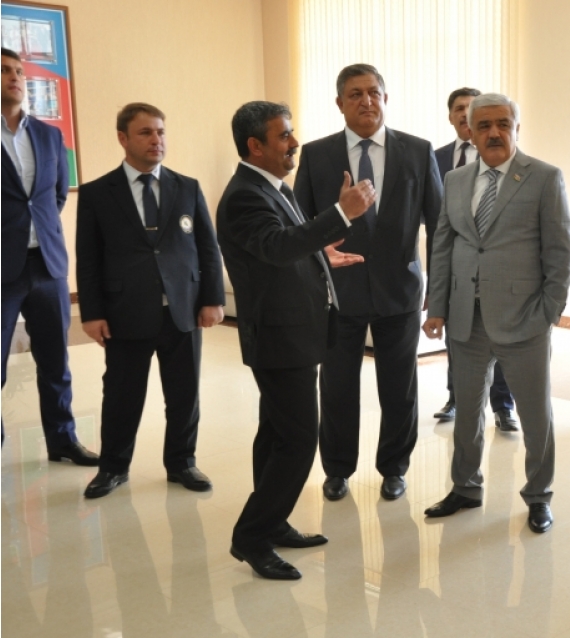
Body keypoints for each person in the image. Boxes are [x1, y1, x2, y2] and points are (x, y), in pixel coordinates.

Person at [217, 100, 375, 580]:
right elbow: (278, 246)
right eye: (283, 135)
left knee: (276, 434)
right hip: (278, 338)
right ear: (255, 145)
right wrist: (341, 214)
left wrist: (322, 254)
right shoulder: (245, 196)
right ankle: (251, 535)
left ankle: (273, 522)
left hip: (294, 333)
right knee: (300, 441)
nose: (294, 143)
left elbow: (289, 247)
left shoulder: (272, 187)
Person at [422, 93, 570, 534]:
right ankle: (465, 487)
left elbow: (560, 250)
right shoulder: (455, 180)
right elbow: (443, 244)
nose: (494, 133)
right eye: (484, 125)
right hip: (465, 318)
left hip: (525, 317)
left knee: (534, 415)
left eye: (503, 123)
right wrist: (437, 305)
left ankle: (539, 496)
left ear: (516, 128)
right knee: (467, 412)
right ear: (469, 131)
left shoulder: (544, 177)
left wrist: (550, 311)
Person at [294, 64, 442, 503]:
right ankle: (337, 469)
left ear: (386, 98)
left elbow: (439, 225)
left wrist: (438, 291)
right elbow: (300, 228)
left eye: (374, 92)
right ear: (339, 103)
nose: (366, 101)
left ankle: (394, 468)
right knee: (338, 387)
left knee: (399, 388)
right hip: (339, 293)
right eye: (356, 94)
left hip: (400, 290)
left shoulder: (418, 151)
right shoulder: (316, 155)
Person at [76, 103, 225, 498]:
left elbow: (207, 249)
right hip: (125, 312)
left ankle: (182, 463)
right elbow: (88, 259)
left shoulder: (187, 187)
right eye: (145, 132)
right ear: (123, 138)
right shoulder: (97, 193)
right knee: (122, 396)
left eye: (160, 132)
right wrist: (91, 313)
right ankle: (113, 467)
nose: (156, 140)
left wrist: (212, 298)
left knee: (184, 394)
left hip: (182, 309)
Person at [1, 47, 96, 465]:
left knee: (56, 362)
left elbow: (55, 196)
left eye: (19, 71)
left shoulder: (48, 135)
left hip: (48, 264)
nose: (14, 77)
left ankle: (62, 441)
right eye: (5, 70)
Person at [432, 87, 519, 432]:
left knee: (501, 345)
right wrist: (436, 290)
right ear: (454, 117)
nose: (465, 113)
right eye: (460, 108)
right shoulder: (436, 158)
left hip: (501, 278)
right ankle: (457, 398)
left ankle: (503, 406)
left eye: (471, 107)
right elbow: (436, 221)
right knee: (459, 342)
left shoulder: (511, 159)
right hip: (457, 272)